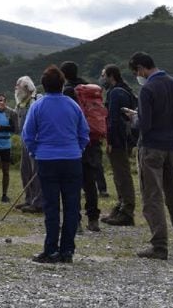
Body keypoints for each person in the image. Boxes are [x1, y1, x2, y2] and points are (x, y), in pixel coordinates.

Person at [127, 52, 173, 260]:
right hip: (172, 146)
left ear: (141, 68)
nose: (137, 76)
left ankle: (159, 246)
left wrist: (134, 119)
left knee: (152, 197)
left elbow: (144, 125)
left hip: (151, 148)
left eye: (136, 72)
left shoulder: (147, 89)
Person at [21, 65, 87, 264]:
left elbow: (28, 135)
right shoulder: (73, 105)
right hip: (72, 159)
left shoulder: (38, 106)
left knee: (51, 206)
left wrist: (36, 152)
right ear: (63, 83)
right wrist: (77, 149)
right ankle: (67, 250)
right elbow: (84, 133)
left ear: (43, 85)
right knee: (71, 205)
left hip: (47, 159)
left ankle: (50, 249)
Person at [61, 61, 103, 232]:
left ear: (63, 75)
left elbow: (67, 118)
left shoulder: (68, 91)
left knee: (73, 183)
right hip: (93, 141)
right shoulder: (89, 89)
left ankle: (75, 221)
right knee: (90, 182)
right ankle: (93, 220)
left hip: (75, 143)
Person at [100, 64, 137, 226]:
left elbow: (113, 120)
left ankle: (126, 211)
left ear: (111, 76)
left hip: (118, 140)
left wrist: (110, 141)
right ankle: (120, 207)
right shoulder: (125, 90)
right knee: (120, 174)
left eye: (103, 75)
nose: (102, 79)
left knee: (122, 175)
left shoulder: (115, 93)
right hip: (126, 138)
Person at [14, 76, 44, 214]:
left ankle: (38, 202)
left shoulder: (36, 100)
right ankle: (29, 198)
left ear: (26, 88)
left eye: (18, 86)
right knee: (25, 171)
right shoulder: (21, 103)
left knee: (35, 172)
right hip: (25, 140)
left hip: (34, 141)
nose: (16, 88)